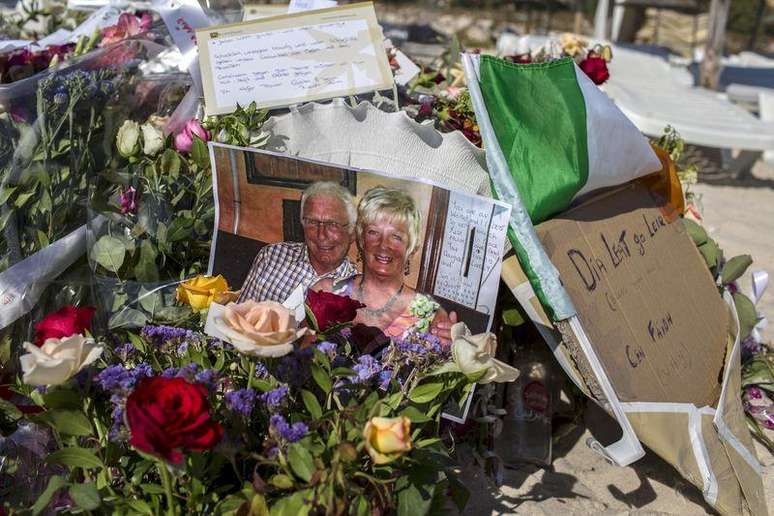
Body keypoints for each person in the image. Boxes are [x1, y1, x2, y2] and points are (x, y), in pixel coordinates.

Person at [314, 186, 456, 349]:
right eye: (373, 232)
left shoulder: (431, 316)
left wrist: (457, 352)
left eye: (396, 237)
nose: (383, 245)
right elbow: (295, 357)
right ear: (361, 239)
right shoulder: (325, 293)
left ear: (411, 248)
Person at [238, 181, 358, 304]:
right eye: (312, 222)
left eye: (333, 224)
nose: (321, 235)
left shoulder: (357, 291)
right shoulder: (271, 256)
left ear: (352, 233)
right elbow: (237, 316)